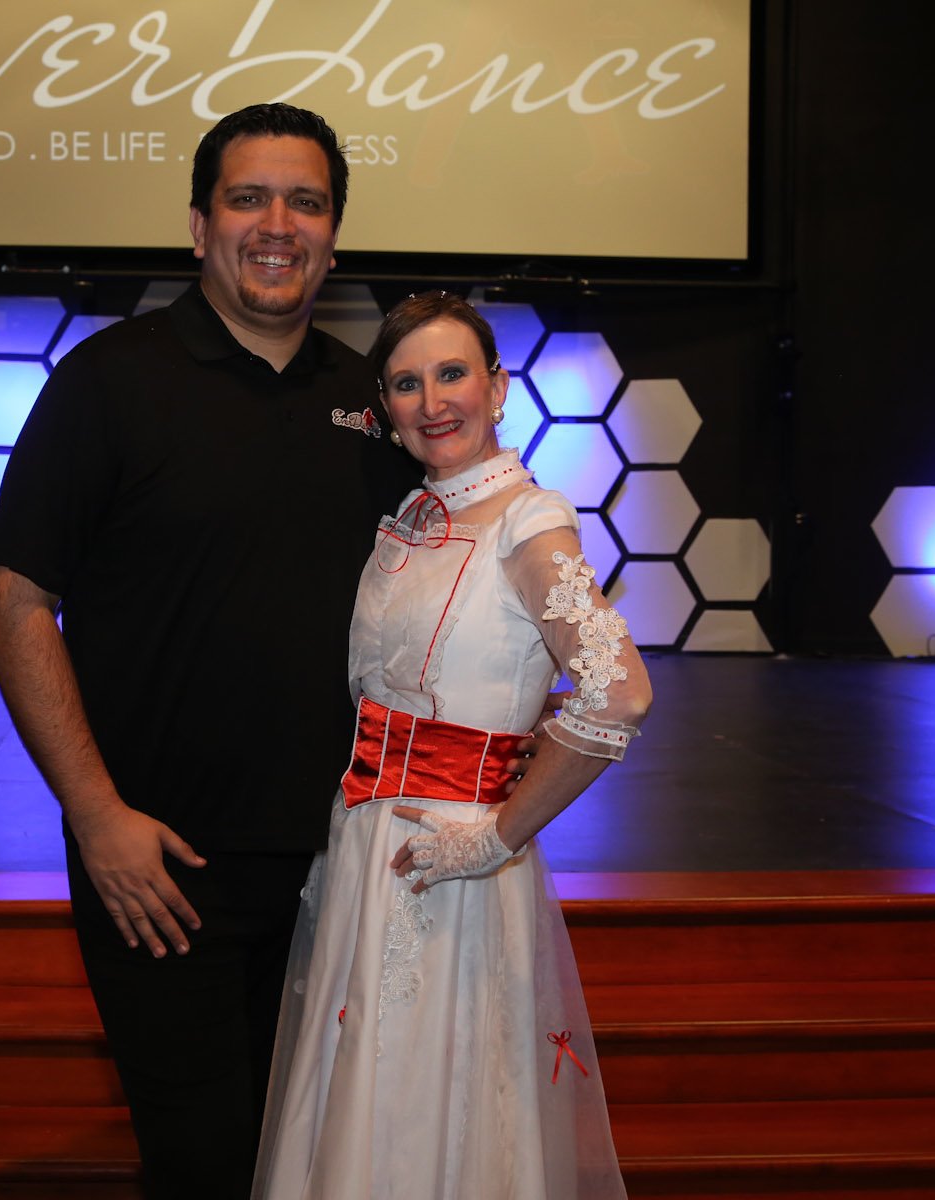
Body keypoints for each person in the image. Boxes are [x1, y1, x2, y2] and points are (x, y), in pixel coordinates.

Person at [0, 104, 418, 1198]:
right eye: (248, 197)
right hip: (161, 873)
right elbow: (14, 600)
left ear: (334, 234)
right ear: (197, 224)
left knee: (322, 1167)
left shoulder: (370, 401)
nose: (278, 224)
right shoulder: (107, 382)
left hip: (343, 870)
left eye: (306, 202)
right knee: (206, 1168)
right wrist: (97, 817)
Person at [252, 292, 651, 1199]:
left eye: (452, 374)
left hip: (449, 864)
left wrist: (497, 836)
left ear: (498, 388)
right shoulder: (408, 514)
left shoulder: (529, 523)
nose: (432, 402)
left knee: (431, 1108)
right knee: (362, 1098)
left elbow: (621, 691)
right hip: (364, 847)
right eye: (406, 384)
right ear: (385, 407)